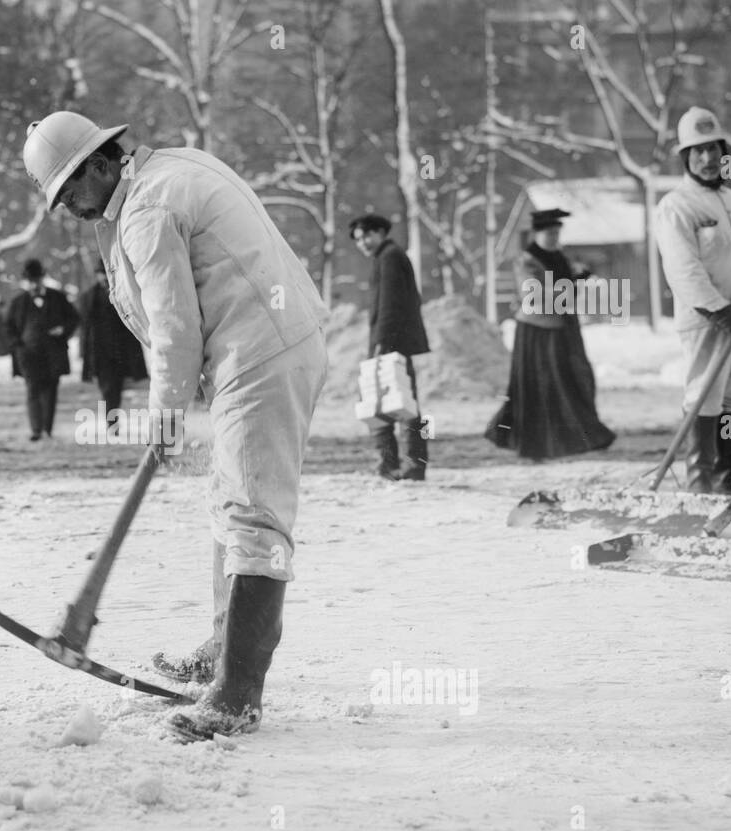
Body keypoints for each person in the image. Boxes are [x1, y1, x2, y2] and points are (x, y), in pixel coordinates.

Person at [23, 110, 329, 742]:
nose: (69, 209)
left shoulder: (146, 212)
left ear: (101, 164)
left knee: (252, 516)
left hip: (260, 354)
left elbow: (175, 326)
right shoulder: (168, 173)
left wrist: (165, 412)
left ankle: (237, 694)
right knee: (229, 504)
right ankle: (223, 649)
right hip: (260, 348)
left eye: (71, 192)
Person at [654, 107, 731, 497]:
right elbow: (683, 268)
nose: (706, 159)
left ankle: (726, 476)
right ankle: (699, 480)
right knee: (706, 396)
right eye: (696, 151)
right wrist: (720, 311)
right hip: (710, 320)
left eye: (713, 149)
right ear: (685, 158)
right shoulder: (676, 207)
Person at [485, 208, 616, 460]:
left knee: (574, 380)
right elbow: (533, 296)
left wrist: (575, 279)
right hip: (538, 332)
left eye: (557, 233)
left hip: (563, 327)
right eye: (549, 233)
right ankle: (540, 443)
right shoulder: (527, 260)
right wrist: (572, 285)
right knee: (541, 385)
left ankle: (576, 437)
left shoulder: (559, 256)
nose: (554, 237)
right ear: (537, 233)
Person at [348, 213, 431, 480]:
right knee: (401, 403)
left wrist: (382, 342)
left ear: (381, 232)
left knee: (398, 404)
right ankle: (401, 464)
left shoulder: (390, 257)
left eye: (367, 236)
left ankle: (402, 464)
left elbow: (391, 304)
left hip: (391, 342)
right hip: (393, 341)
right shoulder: (387, 256)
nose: (363, 243)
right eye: (358, 240)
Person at [4, 258, 80, 441]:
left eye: (36, 279)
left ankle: (47, 428)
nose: (33, 284)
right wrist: (17, 345)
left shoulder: (57, 297)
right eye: (30, 280)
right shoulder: (18, 302)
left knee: (51, 390)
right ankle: (36, 429)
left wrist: (63, 330)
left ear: (42, 279)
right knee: (32, 389)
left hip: (53, 353)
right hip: (28, 355)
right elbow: (7, 326)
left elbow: (74, 318)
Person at [78, 260, 148, 428]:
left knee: (115, 387)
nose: (103, 277)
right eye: (100, 273)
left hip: (120, 349)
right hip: (99, 351)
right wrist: (84, 351)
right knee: (108, 388)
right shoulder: (89, 296)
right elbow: (85, 327)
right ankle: (112, 422)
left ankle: (112, 419)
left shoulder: (123, 293)